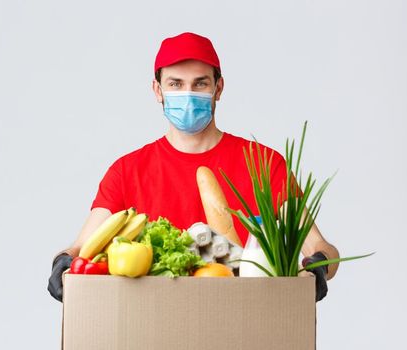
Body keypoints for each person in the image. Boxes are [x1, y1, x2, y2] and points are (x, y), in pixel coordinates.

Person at [47, 32, 339, 302]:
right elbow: (81, 248)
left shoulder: (263, 164)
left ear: (218, 88)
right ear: (157, 90)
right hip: (154, 323)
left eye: (200, 84)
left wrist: (319, 267)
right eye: (175, 84)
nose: (188, 94)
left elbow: (320, 247)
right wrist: (62, 262)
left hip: (245, 318)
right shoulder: (127, 171)